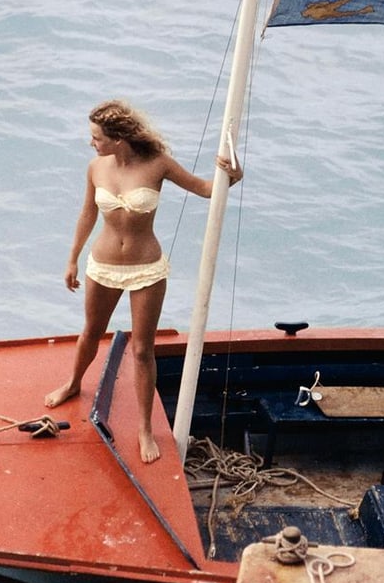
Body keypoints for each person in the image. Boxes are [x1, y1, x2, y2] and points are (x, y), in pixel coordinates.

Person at [44, 100, 242, 463]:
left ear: (118, 139)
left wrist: (232, 174)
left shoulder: (158, 164)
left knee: (141, 349)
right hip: (102, 264)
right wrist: (72, 257)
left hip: (145, 268)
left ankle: (144, 428)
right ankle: (74, 384)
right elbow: (88, 213)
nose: (91, 143)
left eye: (96, 137)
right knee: (90, 332)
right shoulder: (95, 167)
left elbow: (206, 188)